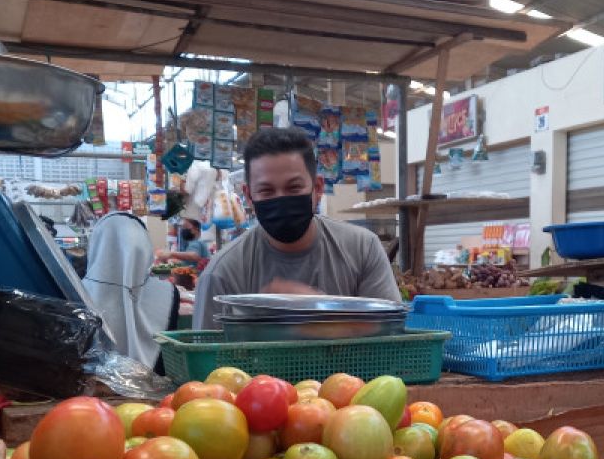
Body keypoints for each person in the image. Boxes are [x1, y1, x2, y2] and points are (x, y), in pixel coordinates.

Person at [192, 127, 400, 329]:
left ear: (317, 188)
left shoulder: (363, 249)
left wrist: (316, 309)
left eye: (294, 187)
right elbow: (207, 361)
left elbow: (393, 335)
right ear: (248, 196)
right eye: (266, 190)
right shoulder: (221, 274)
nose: (281, 199)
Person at [83, 211, 178, 370]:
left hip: (87, 390)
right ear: (145, 248)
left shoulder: (76, 292)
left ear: (96, 245)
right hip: (155, 392)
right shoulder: (168, 293)